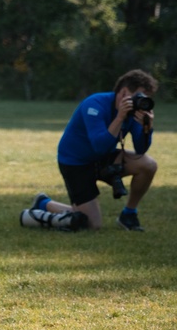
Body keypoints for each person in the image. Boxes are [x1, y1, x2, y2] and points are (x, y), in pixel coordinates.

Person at [21, 69, 158, 232]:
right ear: (123, 93)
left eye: (146, 98)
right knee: (92, 224)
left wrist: (146, 127)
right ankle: (44, 203)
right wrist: (120, 117)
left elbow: (141, 149)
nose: (142, 101)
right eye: (140, 96)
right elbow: (99, 146)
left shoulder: (135, 112)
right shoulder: (94, 104)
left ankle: (128, 214)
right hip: (76, 163)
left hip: (103, 156)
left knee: (148, 164)